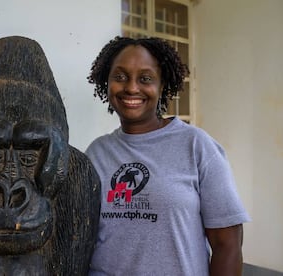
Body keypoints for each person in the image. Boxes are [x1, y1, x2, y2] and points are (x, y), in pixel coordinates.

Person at [85, 36, 250, 275]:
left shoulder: (196, 146)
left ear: (162, 86)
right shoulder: (96, 152)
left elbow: (228, 245)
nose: (131, 87)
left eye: (146, 78)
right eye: (120, 77)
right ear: (106, 82)